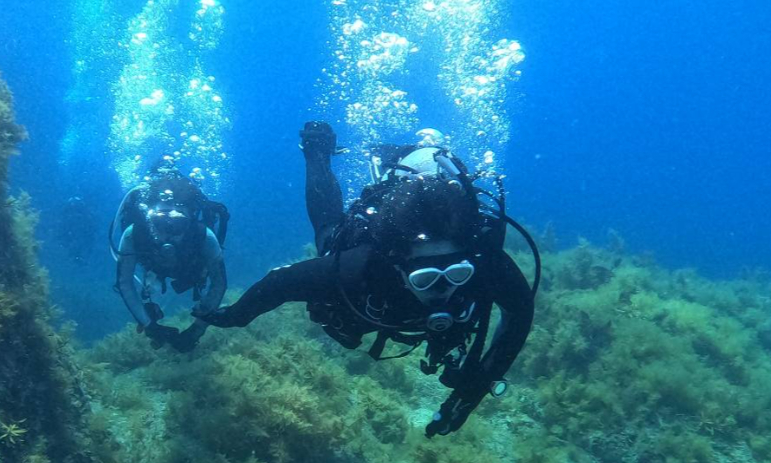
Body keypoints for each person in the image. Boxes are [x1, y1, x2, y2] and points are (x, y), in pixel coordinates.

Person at [198, 122, 538, 436]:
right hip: (374, 255)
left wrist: (470, 393)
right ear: (397, 266)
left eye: (458, 274)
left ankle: (414, 160)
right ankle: (317, 151)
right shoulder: (359, 266)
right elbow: (279, 284)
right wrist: (234, 317)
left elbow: (520, 314)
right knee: (329, 234)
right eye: (424, 278)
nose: (443, 288)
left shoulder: (484, 261)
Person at [110, 162, 229, 353]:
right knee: (151, 283)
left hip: (191, 270)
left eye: (177, 225)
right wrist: (150, 326)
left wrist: (197, 330)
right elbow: (125, 283)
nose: (169, 234)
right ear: (148, 222)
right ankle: (152, 300)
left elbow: (218, 284)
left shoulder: (203, 236)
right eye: (160, 224)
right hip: (155, 268)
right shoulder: (134, 235)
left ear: (189, 221)